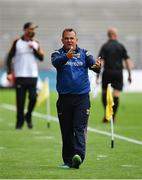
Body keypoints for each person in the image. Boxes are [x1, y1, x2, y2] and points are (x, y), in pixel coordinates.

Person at [51, 28, 101, 169]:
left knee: (79, 128)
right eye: (66, 38)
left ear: (76, 40)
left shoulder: (84, 53)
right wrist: (67, 56)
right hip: (64, 99)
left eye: (72, 38)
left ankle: (78, 156)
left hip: (81, 99)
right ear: (62, 40)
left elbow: (93, 65)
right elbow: (55, 63)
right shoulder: (57, 54)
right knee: (66, 131)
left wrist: (97, 67)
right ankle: (67, 160)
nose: (69, 40)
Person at [6, 22, 44, 129]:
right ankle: (19, 122)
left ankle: (28, 115)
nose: (33, 31)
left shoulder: (36, 43)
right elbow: (9, 58)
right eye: (31, 29)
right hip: (20, 76)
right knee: (20, 101)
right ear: (25, 30)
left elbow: (41, 58)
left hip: (32, 76)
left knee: (33, 98)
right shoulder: (17, 42)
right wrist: (9, 73)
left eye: (34, 29)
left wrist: (34, 48)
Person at [97, 28, 132, 123]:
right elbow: (127, 61)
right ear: (116, 35)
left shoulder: (105, 46)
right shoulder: (121, 46)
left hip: (107, 72)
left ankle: (107, 114)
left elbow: (101, 61)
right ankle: (113, 117)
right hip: (118, 73)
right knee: (116, 95)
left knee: (104, 93)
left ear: (108, 35)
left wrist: (98, 75)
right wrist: (129, 74)